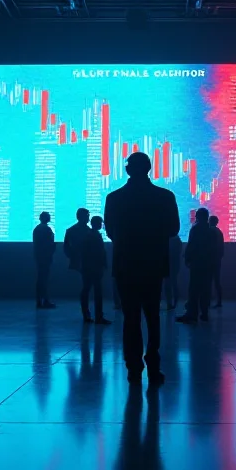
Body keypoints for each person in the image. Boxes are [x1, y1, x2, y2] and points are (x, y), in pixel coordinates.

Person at [104, 152, 179, 384]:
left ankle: (133, 368)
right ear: (149, 168)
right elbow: (174, 229)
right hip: (153, 265)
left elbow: (110, 233)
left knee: (131, 319)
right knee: (153, 316)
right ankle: (153, 367)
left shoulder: (114, 198)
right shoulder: (164, 197)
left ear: (128, 170)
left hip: (126, 265)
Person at [176, 208, 217, 324]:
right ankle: (204, 313)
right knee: (205, 289)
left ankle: (192, 314)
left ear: (198, 217)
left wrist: (187, 258)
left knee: (194, 289)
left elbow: (191, 245)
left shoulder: (195, 229)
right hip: (207, 264)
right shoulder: (211, 231)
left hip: (197, 264)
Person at [79, 216, 112, 325]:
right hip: (95, 268)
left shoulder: (88, 235)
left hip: (88, 267)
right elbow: (99, 253)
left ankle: (86, 314)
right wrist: (103, 264)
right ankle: (98, 316)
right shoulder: (95, 236)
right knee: (97, 292)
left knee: (87, 290)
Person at [33, 212, 56, 309]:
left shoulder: (37, 229)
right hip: (45, 257)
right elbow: (50, 243)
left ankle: (39, 300)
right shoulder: (47, 229)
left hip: (39, 256)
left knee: (40, 278)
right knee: (44, 279)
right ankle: (45, 300)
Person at [63, 208, 91, 273]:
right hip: (77, 261)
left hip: (86, 261)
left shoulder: (71, 230)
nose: (88, 218)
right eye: (87, 216)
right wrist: (72, 256)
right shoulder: (71, 230)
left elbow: (66, 246)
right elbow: (66, 246)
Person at [209, 215, 225, 308]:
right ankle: (219, 301)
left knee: (209, 280)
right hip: (217, 259)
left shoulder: (210, 231)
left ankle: (208, 300)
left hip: (211, 259)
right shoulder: (219, 232)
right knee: (216, 281)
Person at [164, 235, 182, 310]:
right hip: (174, 264)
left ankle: (169, 303)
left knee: (168, 284)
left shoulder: (166, 239)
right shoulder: (178, 240)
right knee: (174, 283)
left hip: (167, 264)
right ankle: (174, 302)